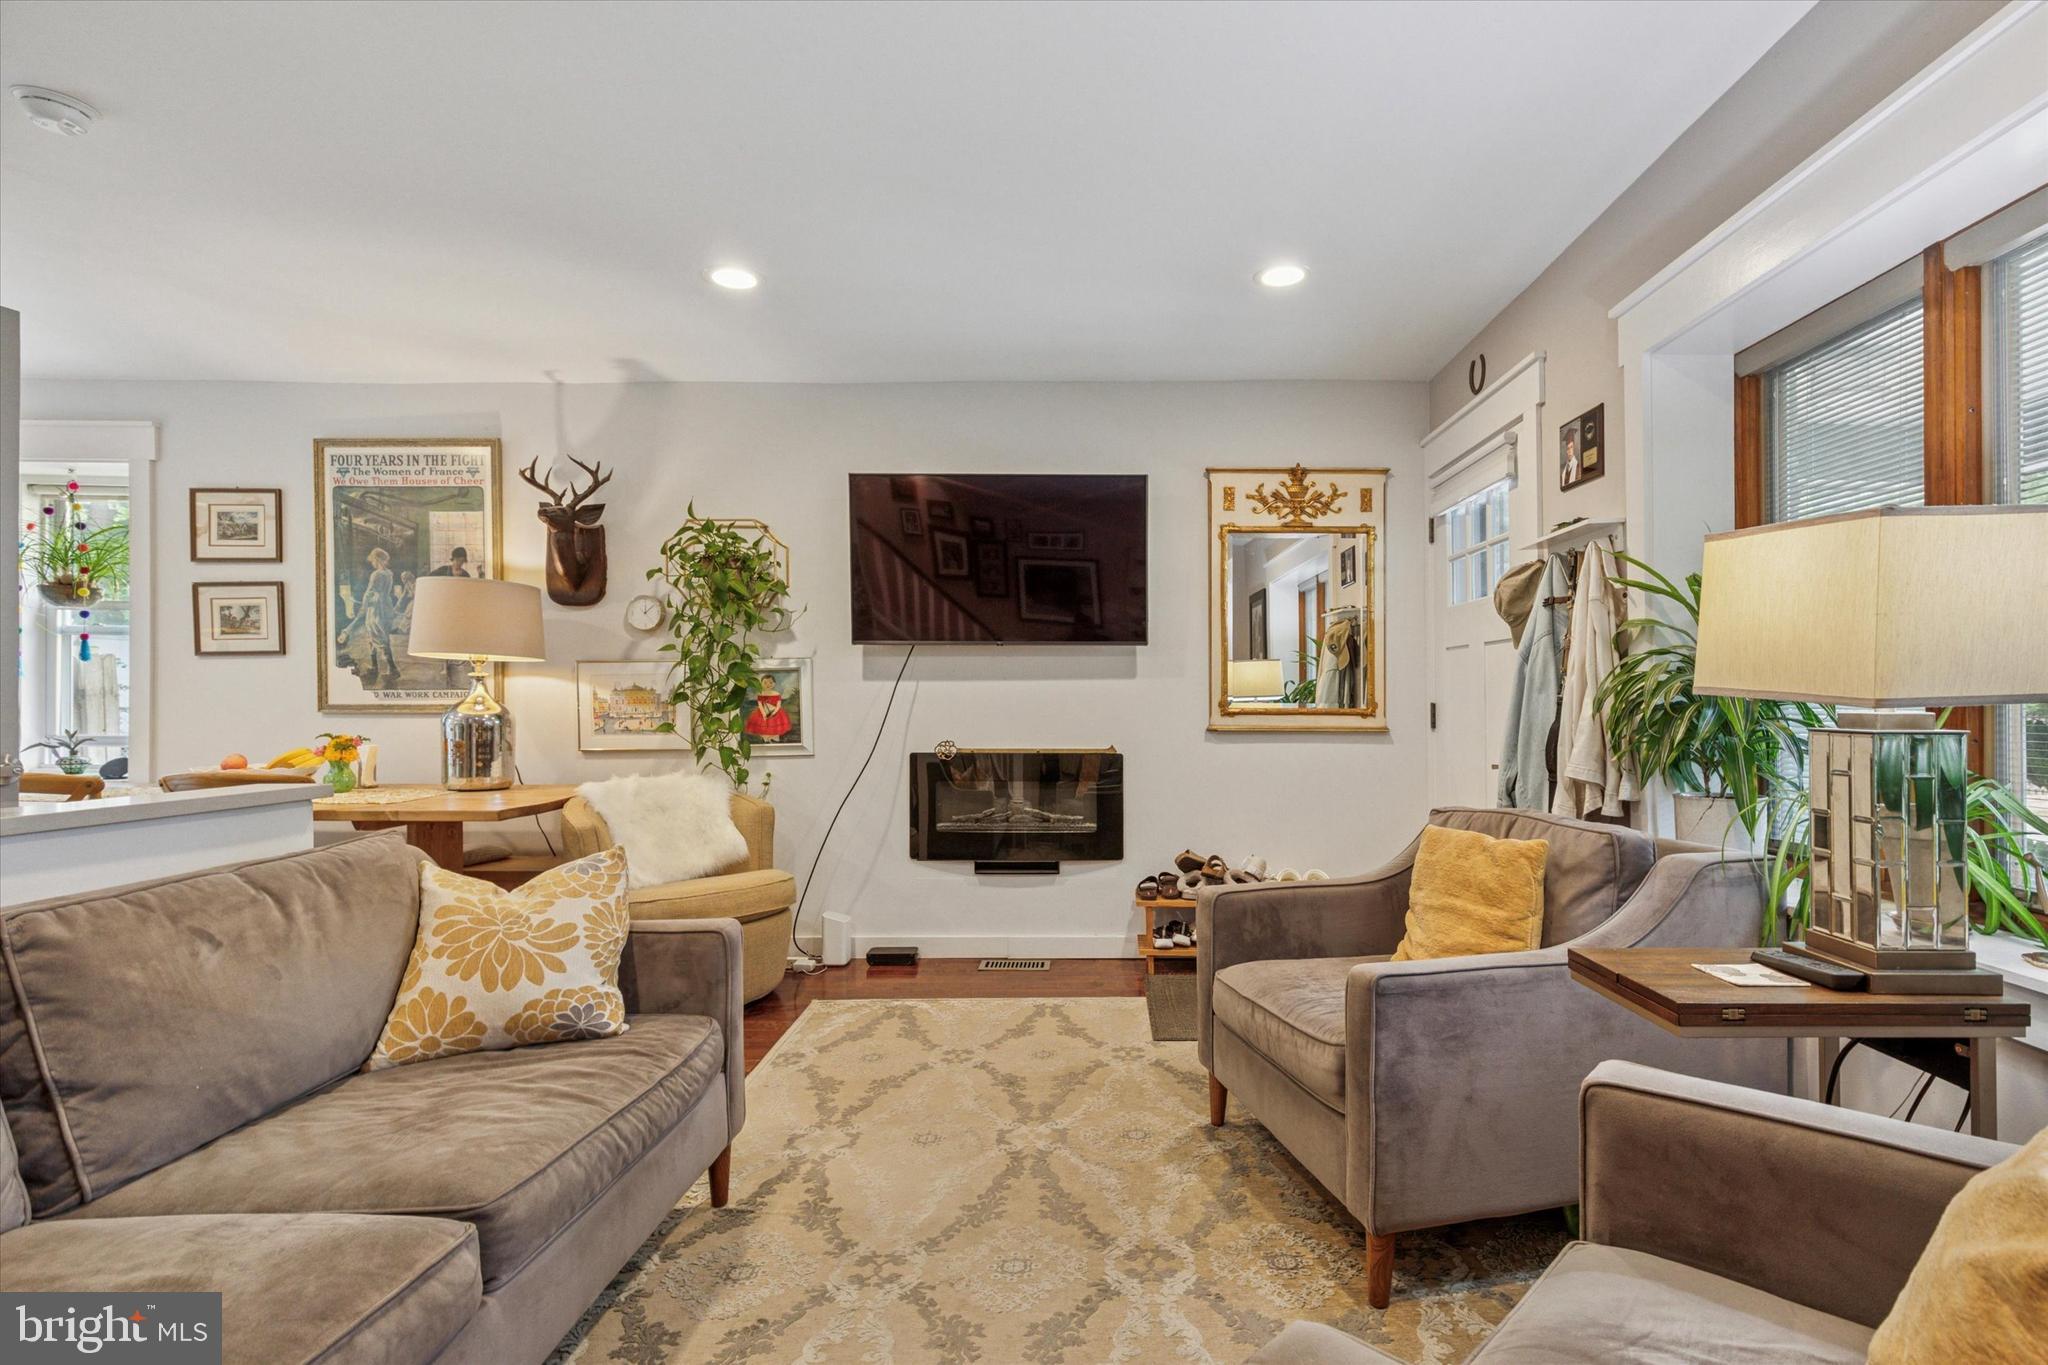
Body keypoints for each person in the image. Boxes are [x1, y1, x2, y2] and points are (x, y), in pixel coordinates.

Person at [336, 546, 399, 689]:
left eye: (373, 561)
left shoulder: (376, 574)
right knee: (375, 639)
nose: (372, 563)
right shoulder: (389, 573)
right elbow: (382, 592)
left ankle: (393, 669)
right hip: (386, 607)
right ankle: (376, 667)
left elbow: (369, 594)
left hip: (375, 609)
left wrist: (357, 602)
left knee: (380, 641)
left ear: (377, 560)